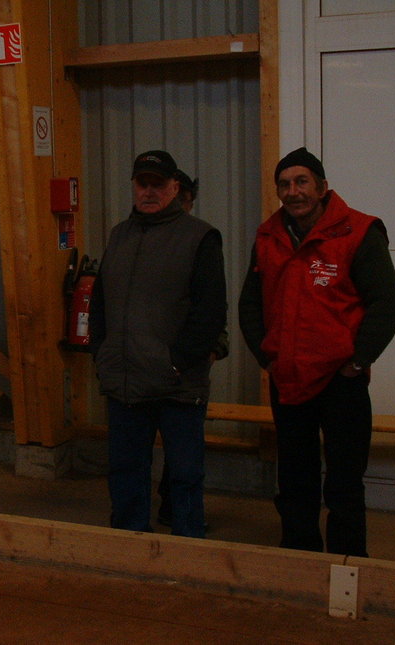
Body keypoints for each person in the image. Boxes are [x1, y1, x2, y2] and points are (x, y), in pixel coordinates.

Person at [238, 147, 395, 557]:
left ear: (322, 187)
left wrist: (357, 360)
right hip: (289, 377)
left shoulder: (359, 232)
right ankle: (300, 556)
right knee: (295, 478)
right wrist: (269, 357)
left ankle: (348, 565)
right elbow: (249, 304)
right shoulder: (268, 236)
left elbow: (388, 304)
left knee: (344, 482)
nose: (293, 192)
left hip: (340, 381)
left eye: (302, 182)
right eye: (284, 184)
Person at [89, 150, 227, 537]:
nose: (149, 191)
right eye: (142, 183)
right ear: (134, 186)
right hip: (126, 383)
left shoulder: (200, 237)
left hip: (177, 385)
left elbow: (210, 313)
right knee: (125, 472)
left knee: (184, 475)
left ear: (174, 187)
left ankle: (186, 549)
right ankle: (130, 543)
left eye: (157, 184)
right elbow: (99, 303)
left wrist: (176, 362)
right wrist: (102, 353)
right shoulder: (119, 235)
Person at [156, 168, 229, 528]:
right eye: (181, 200)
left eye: (187, 202)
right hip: (150, 361)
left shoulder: (201, 240)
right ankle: (164, 505)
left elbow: (213, 306)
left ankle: (179, 510)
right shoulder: (142, 239)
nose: (184, 208)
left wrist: (211, 348)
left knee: (184, 450)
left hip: (189, 365)